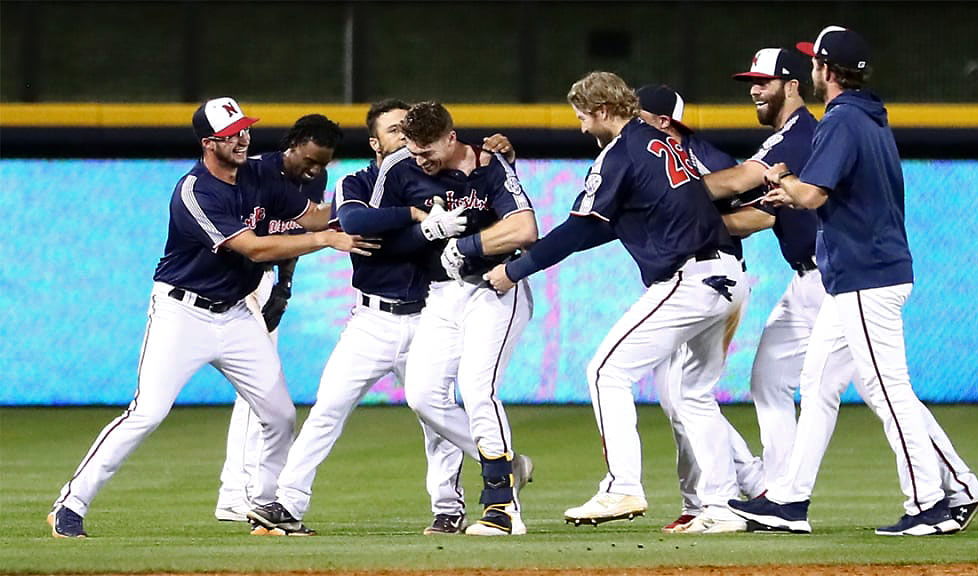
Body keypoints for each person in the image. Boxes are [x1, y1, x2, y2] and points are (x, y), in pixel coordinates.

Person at [48, 97, 377, 538]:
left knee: (278, 414)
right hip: (182, 312)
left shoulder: (259, 173)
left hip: (237, 313)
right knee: (147, 411)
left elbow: (313, 216)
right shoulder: (195, 191)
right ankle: (71, 503)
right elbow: (256, 249)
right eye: (231, 134)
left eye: (244, 129)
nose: (242, 138)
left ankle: (265, 508)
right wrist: (324, 240)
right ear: (208, 143)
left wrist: (375, 187)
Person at [727, 26, 978, 536]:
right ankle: (788, 501)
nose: (813, 67)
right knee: (818, 382)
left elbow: (812, 196)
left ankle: (929, 505)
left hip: (866, 276)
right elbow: (823, 192)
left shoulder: (843, 120)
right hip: (861, 273)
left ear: (825, 70)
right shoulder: (866, 116)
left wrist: (783, 180)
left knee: (888, 389)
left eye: (815, 62)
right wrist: (795, 190)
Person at [486, 72, 748, 530]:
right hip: (726, 274)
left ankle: (623, 487)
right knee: (693, 395)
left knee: (606, 371)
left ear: (603, 110)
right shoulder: (660, 142)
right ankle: (722, 506)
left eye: (584, 116)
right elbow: (604, 226)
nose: (582, 127)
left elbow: (581, 228)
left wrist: (514, 269)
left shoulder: (621, 151)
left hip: (689, 278)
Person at [699, 48, 864, 508]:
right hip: (808, 281)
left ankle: (954, 483)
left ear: (792, 85)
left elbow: (734, 182)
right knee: (769, 378)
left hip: (835, 281)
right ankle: (779, 493)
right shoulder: (795, 136)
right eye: (750, 80)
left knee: (880, 389)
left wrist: (668, 198)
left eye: (764, 81)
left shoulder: (798, 134)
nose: (754, 89)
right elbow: (762, 216)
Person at [386, 101, 538, 536]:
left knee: (476, 387)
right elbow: (380, 229)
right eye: (413, 151)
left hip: (493, 287)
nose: (421, 160)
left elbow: (525, 229)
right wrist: (425, 232)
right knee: (421, 395)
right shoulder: (401, 170)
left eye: (427, 150)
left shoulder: (489, 165)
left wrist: (468, 246)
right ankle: (507, 465)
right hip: (440, 293)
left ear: (451, 138)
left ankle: (501, 507)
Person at [635, 84, 765, 534]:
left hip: (710, 282)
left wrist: (695, 223)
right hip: (673, 283)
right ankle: (731, 488)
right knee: (680, 399)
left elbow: (765, 214)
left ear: (664, 121)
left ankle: (732, 489)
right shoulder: (642, 157)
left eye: (640, 116)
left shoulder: (702, 156)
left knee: (685, 396)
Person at [215, 113, 347, 523]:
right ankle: (236, 493)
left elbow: (293, 239)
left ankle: (241, 492)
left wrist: (284, 289)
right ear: (292, 143)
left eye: (322, 163)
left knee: (261, 390)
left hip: (267, 280)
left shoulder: (312, 182)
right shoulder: (256, 172)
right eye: (309, 159)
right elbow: (248, 242)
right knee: (257, 389)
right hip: (236, 279)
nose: (314, 169)